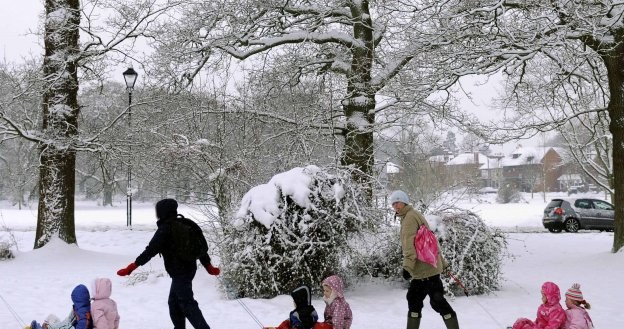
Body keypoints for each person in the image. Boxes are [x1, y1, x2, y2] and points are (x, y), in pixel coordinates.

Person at [116, 198, 221, 329]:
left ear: (162, 212)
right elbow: (200, 248)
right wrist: (208, 266)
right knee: (174, 303)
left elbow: (150, 250)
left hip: (179, 273)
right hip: (188, 270)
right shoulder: (187, 223)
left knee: (187, 303)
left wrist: (132, 266)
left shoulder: (165, 229)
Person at [390, 190, 459, 329]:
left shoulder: (409, 219)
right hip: (429, 268)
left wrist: (407, 267)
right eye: (393, 204)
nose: (396, 206)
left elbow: (409, 245)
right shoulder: (414, 214)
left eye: (398, 202)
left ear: (404, 202)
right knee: (423, 300)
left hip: (423, 271)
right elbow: (431, 241)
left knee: (434, 301)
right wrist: (443, 264)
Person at [27, 284, 93, 329]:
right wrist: (50, 327)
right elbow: (67, 321)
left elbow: (70, 326)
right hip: (65, 326)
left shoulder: (84, 316)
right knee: (51, 316)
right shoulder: (78, 308)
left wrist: (49, 328)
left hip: (67, 327)